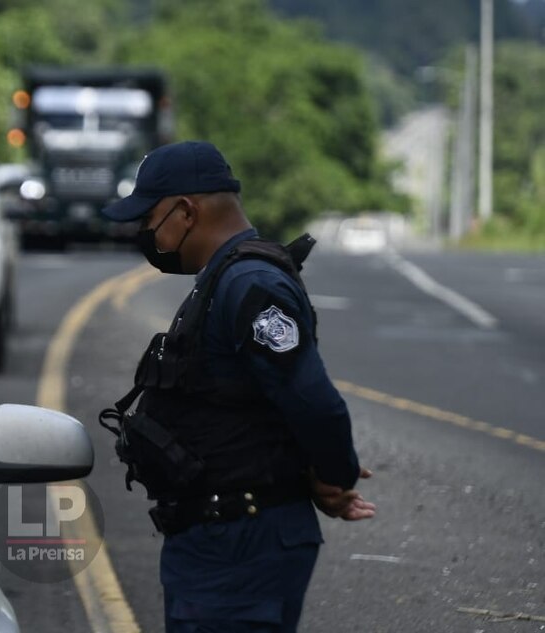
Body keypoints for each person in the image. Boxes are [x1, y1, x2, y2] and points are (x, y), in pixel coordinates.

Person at [98, 141, 375, 632]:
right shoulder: (224, 278)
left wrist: (336, 478)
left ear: (185, 211)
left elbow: (316, 404)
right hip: (219, 543)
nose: (144, 233)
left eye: (149, 218)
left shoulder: (249, 285)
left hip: (240, 546)